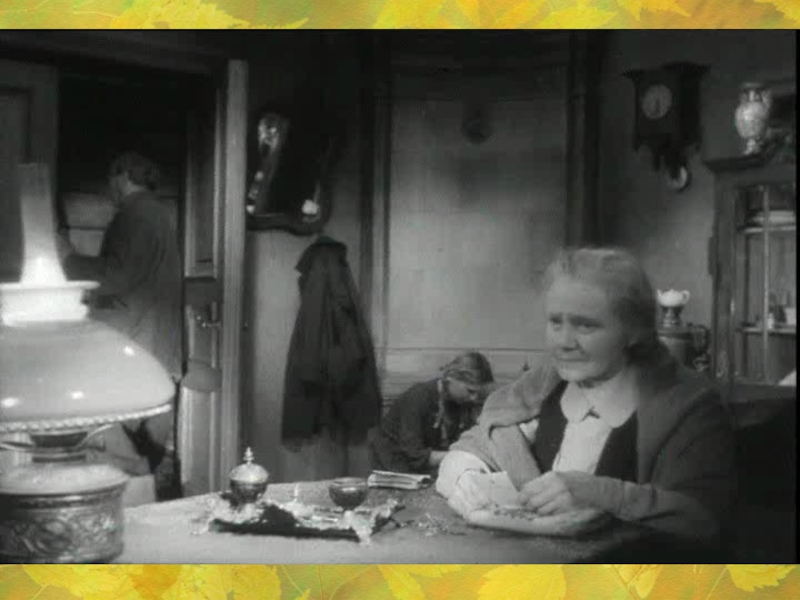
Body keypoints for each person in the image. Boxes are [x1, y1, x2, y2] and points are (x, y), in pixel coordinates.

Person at [436, 247, 737, 559]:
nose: (563, 342)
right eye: (556, 322)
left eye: (585, 326)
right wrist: (465, 477)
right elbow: (479, 441)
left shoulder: (689, 403)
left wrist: (600, 494)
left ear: (634, 331)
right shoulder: (545, 384)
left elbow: (702, 518)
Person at [58, 151, 183, 501]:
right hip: (151, 342)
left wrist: (68, 259)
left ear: (123, 175)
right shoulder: (155, 213)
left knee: (118, 446)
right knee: (141, 445)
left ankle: (126, 512)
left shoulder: (136, 213)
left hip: (134, 344)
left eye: (111, 180)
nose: (109, 188)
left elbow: (118, 276)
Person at [370, 352, 495, 474]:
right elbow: (414, 456)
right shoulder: (418, 397)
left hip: (424, 471)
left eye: (478, 394)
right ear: (451, 378)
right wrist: (461, 454)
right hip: (394, 470)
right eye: (470, 391)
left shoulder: (461, 403)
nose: (474, 398)